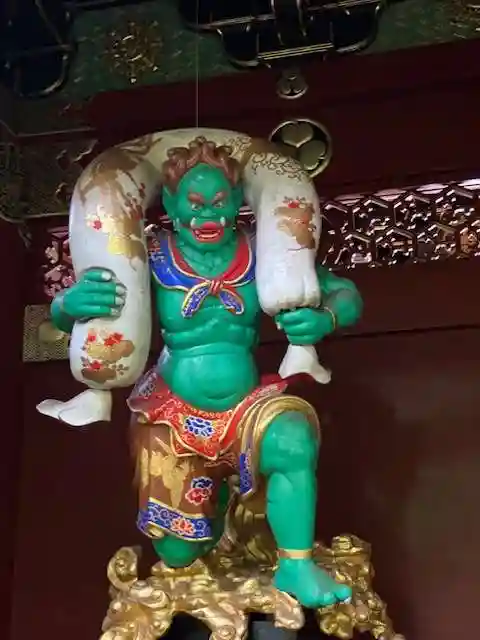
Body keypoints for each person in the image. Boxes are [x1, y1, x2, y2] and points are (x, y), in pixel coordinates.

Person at [50, 138, 363, 608]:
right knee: (178, 552)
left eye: (219, 202)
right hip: (172, 411)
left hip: (247, 406)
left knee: (294, 440)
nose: (208, 215)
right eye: (195, 204)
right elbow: (64, 317)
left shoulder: (266, 251)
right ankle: (217, 520)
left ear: (237, 201)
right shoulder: (149, 255)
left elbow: (346, 294)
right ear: (171, 205)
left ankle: (296, 566)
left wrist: (327, 318)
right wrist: (66, 305)